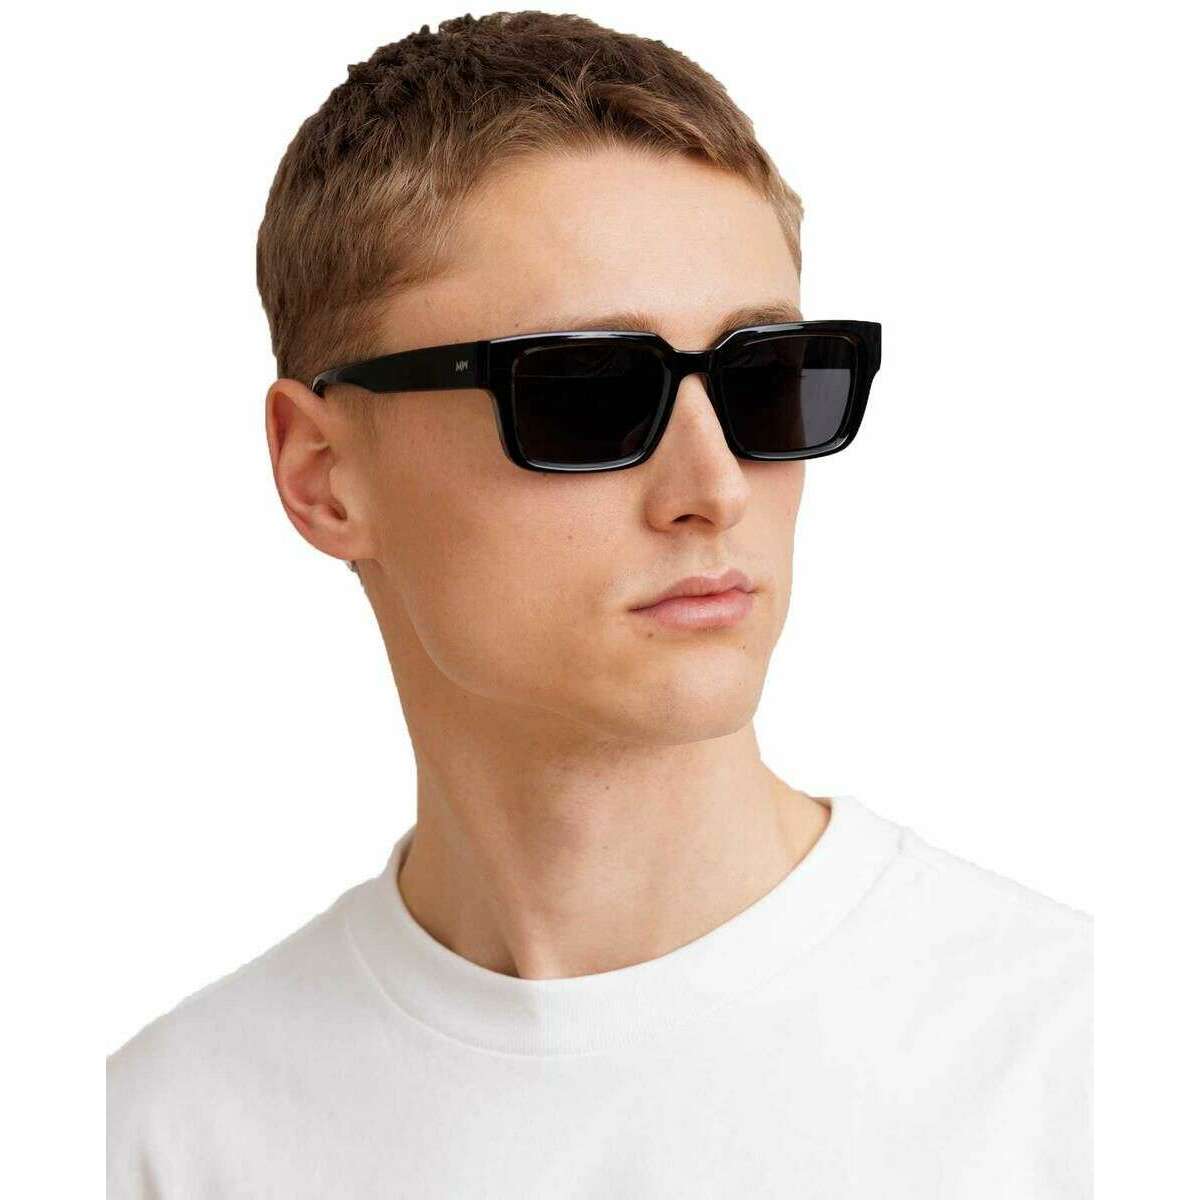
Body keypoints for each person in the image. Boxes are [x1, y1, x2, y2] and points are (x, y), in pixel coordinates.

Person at [107, 11, 1092, 1197]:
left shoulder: (1080, 1070)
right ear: (322, 475)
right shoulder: (165, 1140)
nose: (715, 488)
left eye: (767, 380)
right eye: (583, 392)